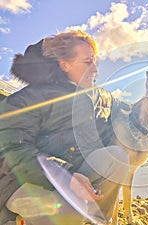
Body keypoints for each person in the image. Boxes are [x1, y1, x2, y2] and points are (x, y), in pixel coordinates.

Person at [0, 30, 130, 224]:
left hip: (70, 174)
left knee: (116, 157)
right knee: (68, 209)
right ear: (64, 64)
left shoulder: (95, 97)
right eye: (87, 62)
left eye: (95, 61)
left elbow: (123, 111)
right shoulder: (26, 100)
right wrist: (65, 175)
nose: (95, 69)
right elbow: (12, 150)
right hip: (19, 180)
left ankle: (98, 221)